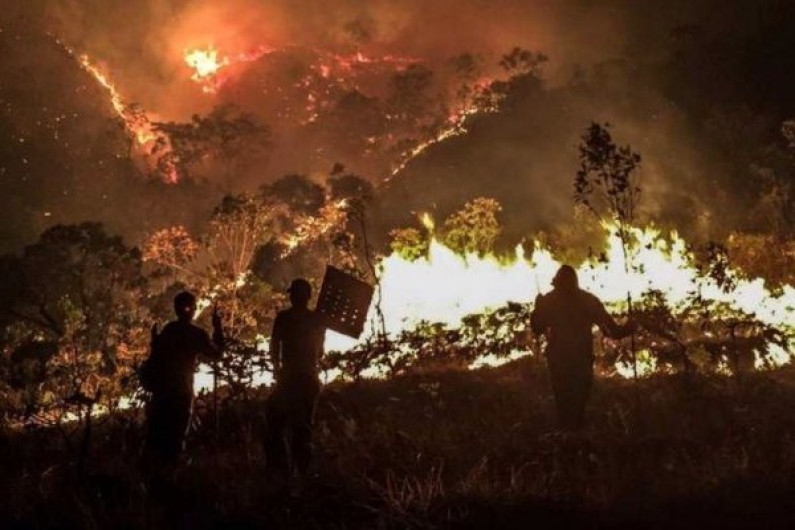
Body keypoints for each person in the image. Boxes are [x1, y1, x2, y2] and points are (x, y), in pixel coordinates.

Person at [531, 265, 634, 431]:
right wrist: (629, 327)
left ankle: (567, 440)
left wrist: (538, 308)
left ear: (557, 283)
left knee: (564, 403)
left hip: (560, 360)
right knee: (579, 403)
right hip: (581, 360)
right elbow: (612, 331)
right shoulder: (588, 300)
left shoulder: (551, 300)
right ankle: (575, 438)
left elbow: (537, 327)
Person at [141, 291, 224, 477]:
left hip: (161, 394)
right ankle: (171, 480)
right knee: (176, 438)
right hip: (181, 393)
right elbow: (217, 354)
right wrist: (218, 328)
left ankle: (153, 482)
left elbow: (155, 355)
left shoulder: (168, 331)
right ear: (192, 309)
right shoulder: (195, 334)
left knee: (157, 438)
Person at [265, 278, 325, 487]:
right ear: (308, 297)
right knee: (303, 428)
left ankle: (283, 473)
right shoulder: (317, 320)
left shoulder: (284, 318)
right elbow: (320, 352)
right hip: (309, 379)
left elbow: (274, 347)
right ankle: (302, 474)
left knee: (275, 422)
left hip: (290, 379)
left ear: (294, 296)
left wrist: (276, 369)